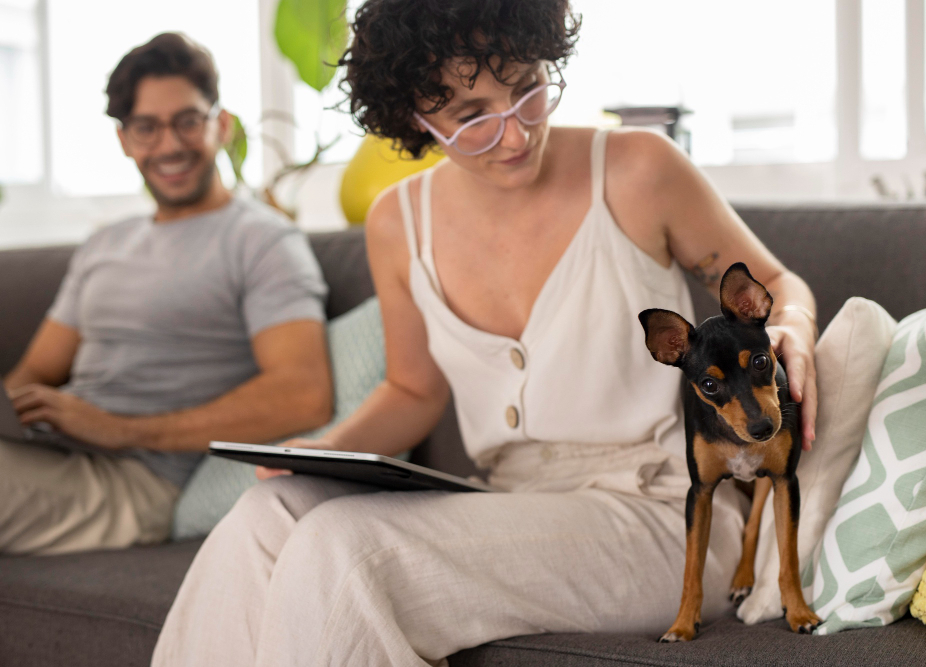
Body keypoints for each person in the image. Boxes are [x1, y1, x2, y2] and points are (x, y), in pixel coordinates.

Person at [153, 2, 819, 664]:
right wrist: (322, 449)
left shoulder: (637, 170)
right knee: (264, 514)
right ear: (414, 116)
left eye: (528, 89)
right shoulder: (398, 223)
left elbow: (777, 284)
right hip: (507, 503)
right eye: (472, 116)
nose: (516, 135)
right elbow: (412, 390)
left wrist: (791, 324)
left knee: (346, 548)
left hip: (658, 516)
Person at [0, 33, 332, 556]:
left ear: (221, 125)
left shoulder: (263, 240)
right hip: (48, 455)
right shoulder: (104, 245)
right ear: (124, 140)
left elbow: (304, 392)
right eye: (146, 128)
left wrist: (117, 428)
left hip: (135, 479)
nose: (170, 145)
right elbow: (33, 374)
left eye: (187, 120)